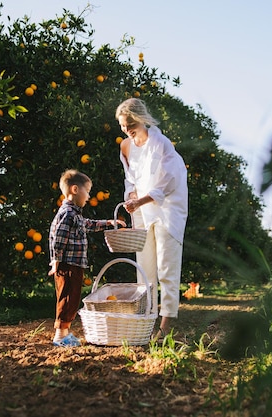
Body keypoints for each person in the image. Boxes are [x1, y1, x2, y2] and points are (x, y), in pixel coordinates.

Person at [115, 98, 188, 341]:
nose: (126, 130)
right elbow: (130, 178)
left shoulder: (161, 143)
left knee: (166, 266)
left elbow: (169, 181)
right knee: (144, 268)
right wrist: (131, 195)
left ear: (141, 119)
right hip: (143, 212)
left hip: (168, 210)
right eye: (123, 126)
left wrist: (141, 200)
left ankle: (166, 324)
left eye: (130, 124)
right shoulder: (125, 146)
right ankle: (146, 319)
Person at [48, 169, 126, 347]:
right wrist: (56, 261)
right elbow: (58, 239)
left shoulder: (73, 214)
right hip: (67, 264)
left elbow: (87, 224)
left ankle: (64, 332)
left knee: (72, 297)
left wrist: (108, 223)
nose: (89, 196)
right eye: (87, 191)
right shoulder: (68, 214)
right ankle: (60, 336)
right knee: (67, 298)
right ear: (75, 189)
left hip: (73, 263)